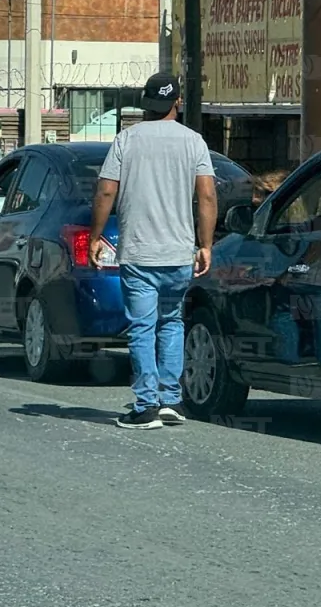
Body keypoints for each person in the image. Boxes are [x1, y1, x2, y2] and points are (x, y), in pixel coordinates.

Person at [89, 74, 218, 430]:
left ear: (146, 102)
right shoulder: (194, 142)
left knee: (142, 328)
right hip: (178, 253)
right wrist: (205, 244)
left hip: (140, 252)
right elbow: (206, 196)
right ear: (177, 102)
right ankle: (171, 400)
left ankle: (146, 405)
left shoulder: (126, 140)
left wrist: (95, 236)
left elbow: (105, 193)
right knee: (172, 321)